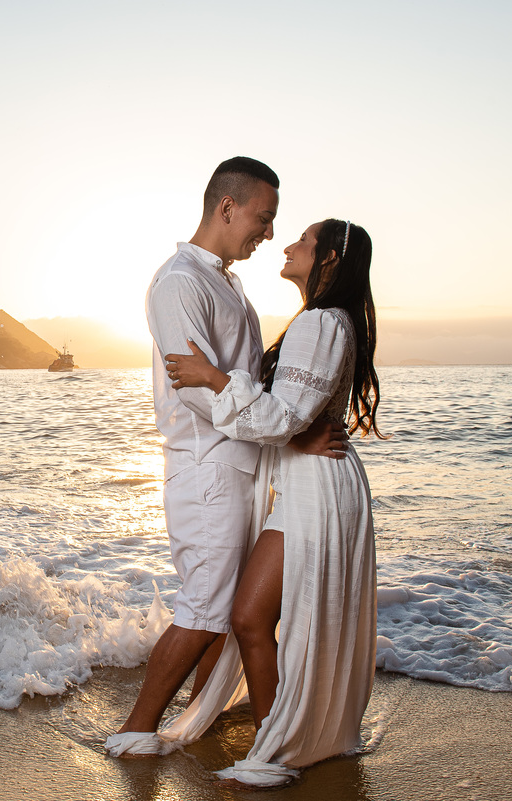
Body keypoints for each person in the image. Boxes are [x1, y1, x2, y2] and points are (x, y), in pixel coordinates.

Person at [105, 160, 347, 757]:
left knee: (230, 605)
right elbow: (194, 388)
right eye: (263, 218)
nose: (268, 233)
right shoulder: (179, 282)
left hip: (244, 466)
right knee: (206, 606)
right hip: (206, 466)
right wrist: (290, 435)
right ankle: (135, 730)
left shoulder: (230, 284)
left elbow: (246, 382)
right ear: (227, 208)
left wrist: (291, 429)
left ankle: (200, 715)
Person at [162, 218, 384, 787]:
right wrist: (292, 430)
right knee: (256, 617)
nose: (287, 245)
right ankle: (277, 739)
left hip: (317, 487)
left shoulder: (320, 322)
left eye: (304, 241)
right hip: (309, 481)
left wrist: (212, 378)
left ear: (329, 258)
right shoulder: (325, 320)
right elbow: (290, 417)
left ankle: (278, 748)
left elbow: (282, 418)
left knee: (248, 616)